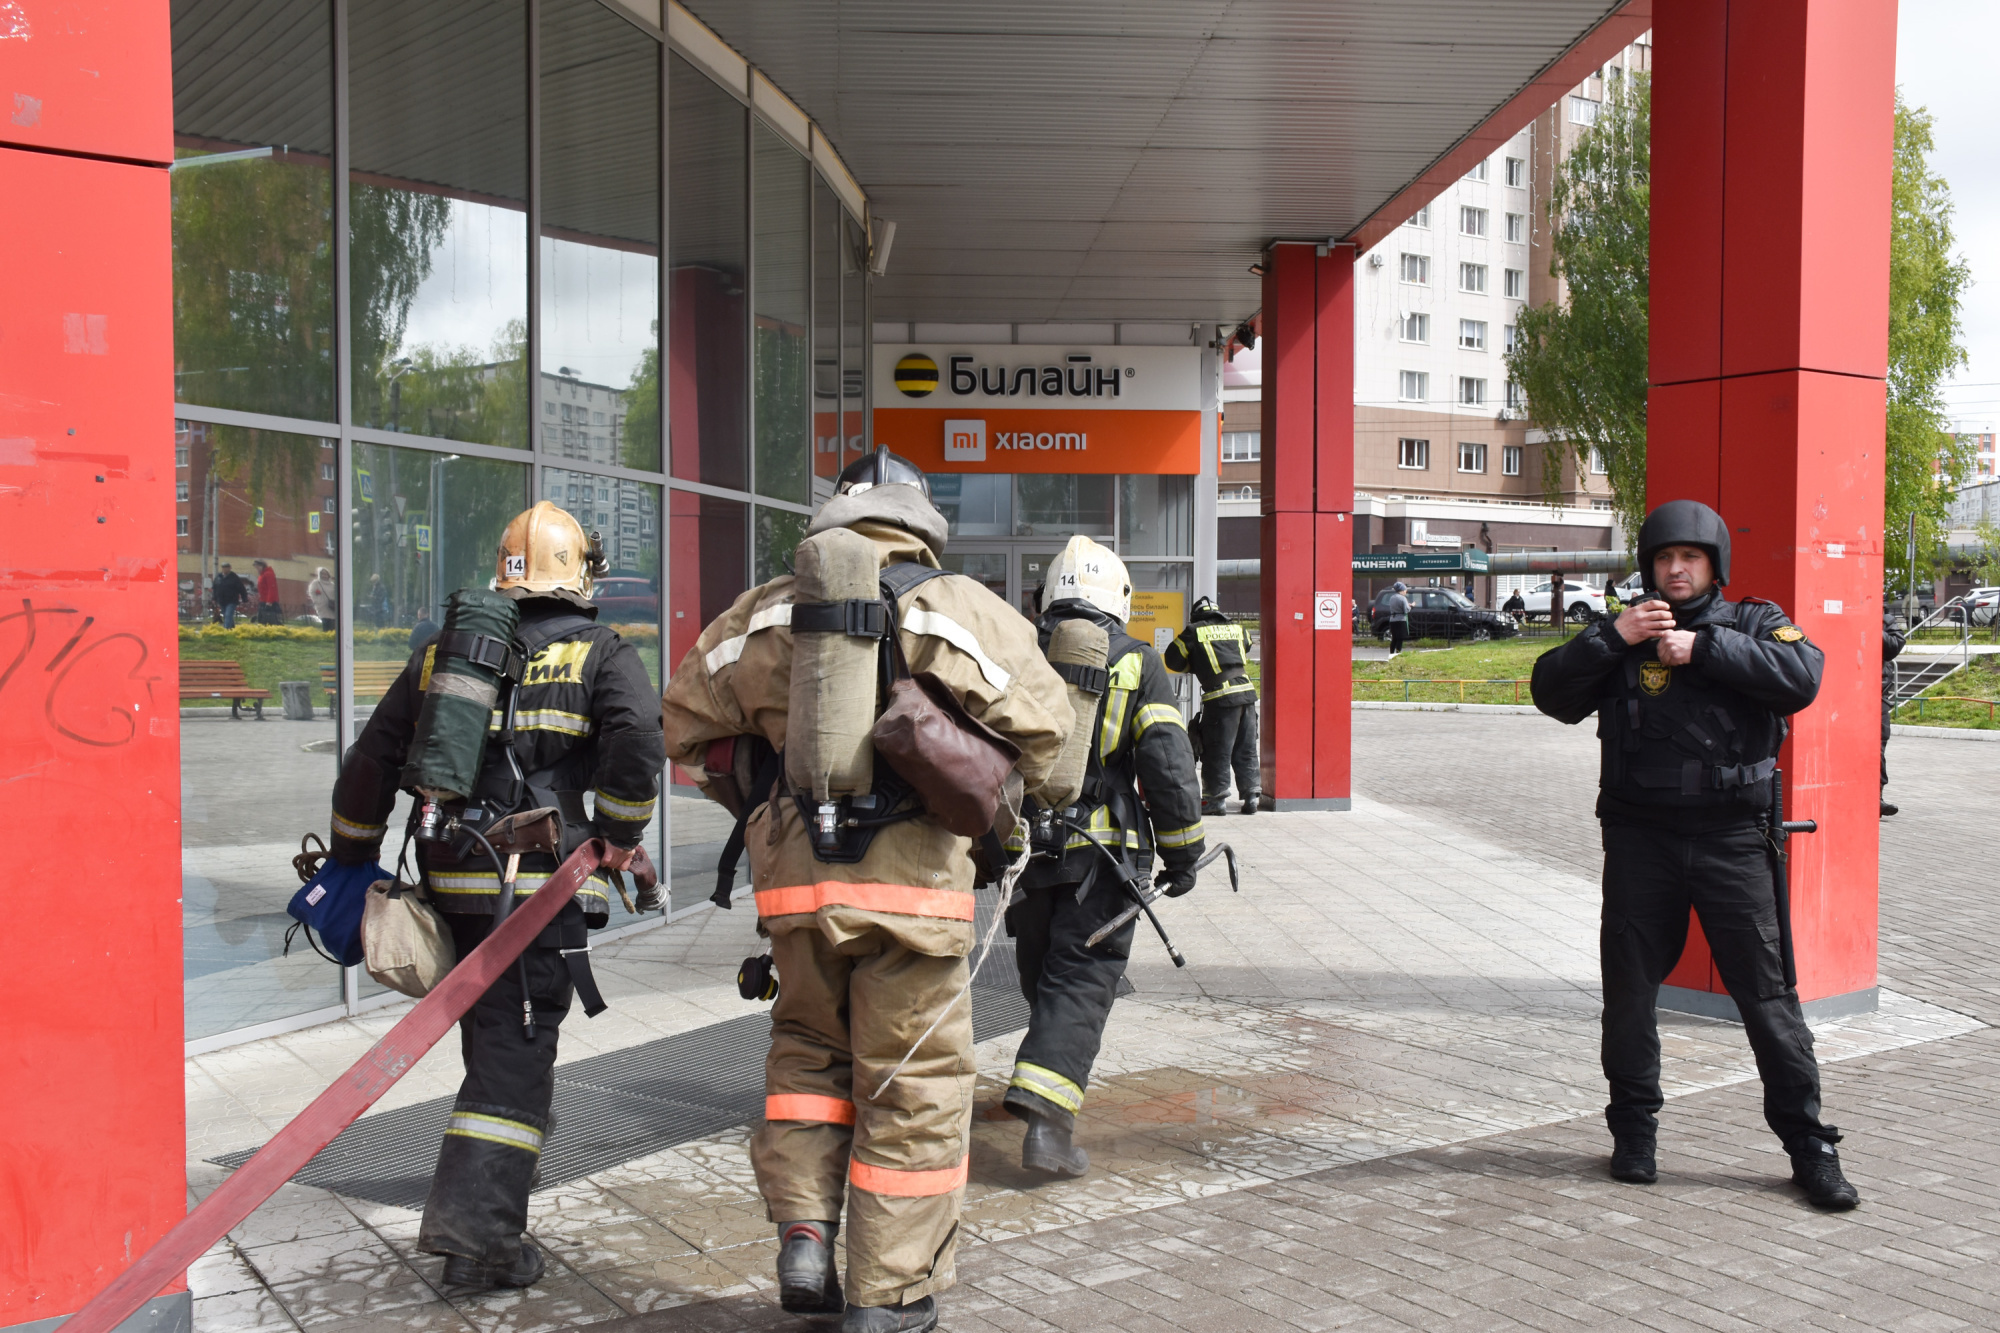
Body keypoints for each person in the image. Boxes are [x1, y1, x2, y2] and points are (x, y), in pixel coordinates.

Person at [660, 448, 1070, 1333]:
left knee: (807, 1057)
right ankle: (890, 1295)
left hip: (797, 895)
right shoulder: (954, 606)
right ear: (920, 519)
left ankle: (803, 1233)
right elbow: (1050, 738)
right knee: (911, 1081)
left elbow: (683, 727)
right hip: (915, 899)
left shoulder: (766, 612)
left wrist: (767, 791)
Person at [324, 501, 664, 1291]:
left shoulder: (446, 655)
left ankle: (497, 1191)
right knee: (513, 1061)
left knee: (496, 1042)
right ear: (580, 573)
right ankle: (477, 1235)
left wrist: (349, 853)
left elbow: (370, 761)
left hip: (452, 885)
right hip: (535, 894)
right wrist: (616, 833)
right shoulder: (600, 651)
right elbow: (639, 737)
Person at [1529, 498, 1858, 1209]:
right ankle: (1634, 1134)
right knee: (1629, 996)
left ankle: (1810, 1147)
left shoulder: (1754, 622)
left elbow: (1802, 676)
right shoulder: (1623, 631)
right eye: (1664, 558)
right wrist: (1611, 638)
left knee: (1768, 1000)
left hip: (1732, 842)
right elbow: (1550, 693)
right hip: (1641, 841)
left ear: (1713, 565)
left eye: (1691, 558)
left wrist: (1703, 649)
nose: (1676, 570)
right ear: (1648, 565)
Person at [1007, 538, 1205, 1179]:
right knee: (1081, 980)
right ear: (1117, 598)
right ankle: (1046, 1124)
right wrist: (1183, 854)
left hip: (1030, 853)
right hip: (1106, 859)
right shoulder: (1139, 661)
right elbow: (1168, 764)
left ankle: (1040, 1082)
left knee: (1044, 970)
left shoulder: (1020, 651)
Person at [1163, 595, 1260, 816]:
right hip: (1247, 694)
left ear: (1196, 616)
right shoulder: (1236, 628)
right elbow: (1246, 647)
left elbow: (1172, 659)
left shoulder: (1194, 631)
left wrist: (1196, 663)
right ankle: (1251, 796)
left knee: (1217, 749)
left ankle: (1216, 800)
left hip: (1221, 697)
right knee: (1246, 748)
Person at [1881, 619, 1905, 817]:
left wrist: (1872, 625)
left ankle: (1876, 797)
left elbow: (1895, 646)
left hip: (1877, 697)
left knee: (1878, 746)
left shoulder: (1885, 620)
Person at [211, 563, 246, 629]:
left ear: (230, 568)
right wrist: (214, 598)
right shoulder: (218, 577)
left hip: (232, 600)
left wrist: (244, 598)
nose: (225, 569)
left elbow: (241, 588)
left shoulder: (234, 577)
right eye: (223, 567)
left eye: (226, 567)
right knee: (226, 615)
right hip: (221, 600)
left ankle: (226, 629)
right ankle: (232, 628)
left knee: (228, 614)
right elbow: (215, 588)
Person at [1383, 581, 1411, 655]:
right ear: (1401, 590)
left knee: (1394, 638)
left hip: (1392, 619)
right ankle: (1398, 653)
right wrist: (1410, 606)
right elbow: (1406, 610)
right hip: (1401, 620)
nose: (1406, 591)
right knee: (1400, 638)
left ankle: (1391, 653)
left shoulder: (1392, 598)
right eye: (1405, 590)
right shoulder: (1403, 598)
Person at [307, 566, 337, 631]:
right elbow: (311, 592)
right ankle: (326, 634)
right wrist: (317, 601)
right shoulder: (316, 583)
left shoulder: (332, 585)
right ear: (319, 575)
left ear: (328, 575)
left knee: (332, 622)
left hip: (331, 606)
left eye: (325, 574)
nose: (324, 575)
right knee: (325, 620)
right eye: (322, 574)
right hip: (322, 606)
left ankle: (331, 635)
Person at [253, 559, 282, 624]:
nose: (257, 569)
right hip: (263, 600)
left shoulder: (268, 574)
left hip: (268, 601)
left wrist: (269, 601)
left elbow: (271, 588)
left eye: (257, 567)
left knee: (270, 620)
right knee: (262, 619)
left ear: (262, 566)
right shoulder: (262, 575)